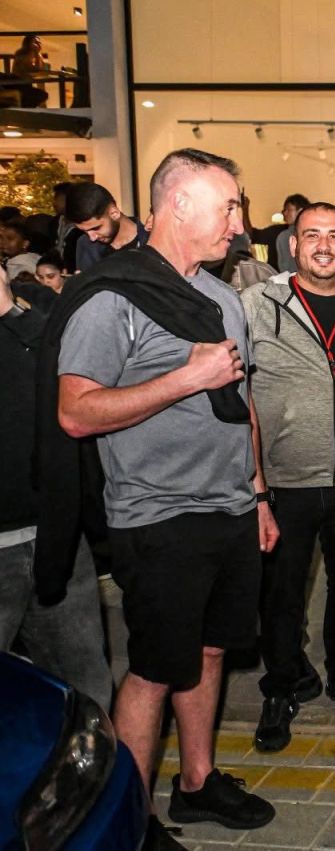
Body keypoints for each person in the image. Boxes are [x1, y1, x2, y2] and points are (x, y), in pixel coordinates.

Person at [40, 148, 279, 845]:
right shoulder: (113, 296)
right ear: (178, 204)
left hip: (230, 506)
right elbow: (75, 412)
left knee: (210, 651)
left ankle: (197, 782)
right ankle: (130, 819)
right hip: (157, 515)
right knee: (152, 670)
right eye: (228, 206)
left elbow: (242, 402)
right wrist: (185, 377)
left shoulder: (222, 298)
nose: (238, 223)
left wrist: (259, 494)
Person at [242, 202, 335, 753]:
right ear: (293, 245)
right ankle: (282, 685)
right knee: (282, 594)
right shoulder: (257, 305)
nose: (324, 246)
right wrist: (256, 484)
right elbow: (236, 392)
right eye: (312, 236)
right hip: (284, 481)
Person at [0, 265, 113, 712]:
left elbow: (66, 367)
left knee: (85, 688)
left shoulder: (34, 307)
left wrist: (8, 310)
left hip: (57, 536)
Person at [65, 182, 148, 273]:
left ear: (114, 213)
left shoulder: (151, 240)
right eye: (84, 231)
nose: (92, 238)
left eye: (96, 228)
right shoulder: (85, 244)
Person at [272, 193, 310, 273]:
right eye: (284, 210)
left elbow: (285, 268)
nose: (284, 213)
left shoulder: (285, 236)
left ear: (300, 211)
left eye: (288, 210)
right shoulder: (313, 234)